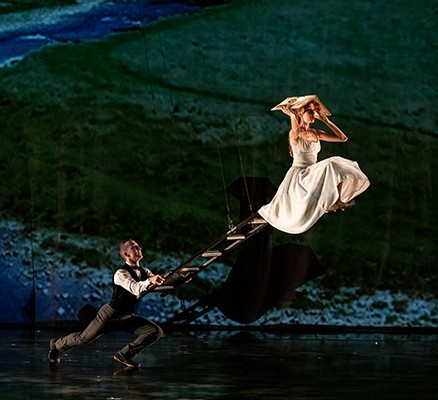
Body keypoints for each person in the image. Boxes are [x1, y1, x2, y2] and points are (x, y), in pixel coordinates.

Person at [258, 95, 370, 234]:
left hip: (312, 173)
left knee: (337, 166)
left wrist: (325, 120)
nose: (313, 114)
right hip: (300, 175)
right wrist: (292, 116)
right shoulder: (295, 135)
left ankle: (336, 199)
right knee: (331, 163)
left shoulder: (315, 133)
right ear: (300, 113)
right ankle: (335, 201)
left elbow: (343, 138)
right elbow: (295, 130)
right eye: (309, 111)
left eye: (313, 111)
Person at [48, 239, 165, 368]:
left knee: (154, 331)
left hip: (126, 317)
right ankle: (56, 345)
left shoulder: (145, 272)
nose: (139, 249)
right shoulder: (121, 273)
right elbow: (136, 288)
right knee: (84, 338)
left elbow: (159, 285)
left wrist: (179, 279)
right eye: (134, 247)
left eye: (138, 246)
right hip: (109, 315)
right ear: (126, 254)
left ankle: (125, 355)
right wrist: (151, 281)